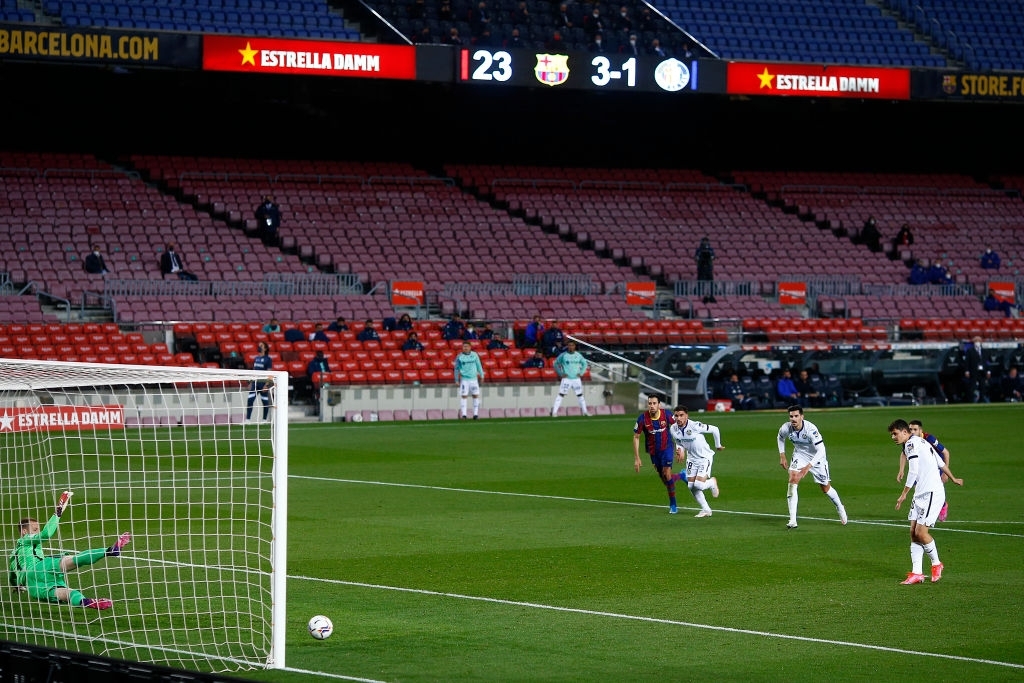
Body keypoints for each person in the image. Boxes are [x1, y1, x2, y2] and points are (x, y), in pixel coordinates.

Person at [8, 491, 130, 611]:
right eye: (35, 529)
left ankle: (85, 601)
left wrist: (17, 587)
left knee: (66, 594)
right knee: (73, 560)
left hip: (33, 588)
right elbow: (46, 534)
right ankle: (110, 550)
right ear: (24, 532)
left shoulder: (13, 556)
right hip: (40, 568)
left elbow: (12, 577)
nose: (37, 532)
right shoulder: (25, 539)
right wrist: (58, 512)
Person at [889, 419, 964, 585]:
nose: (893, 437)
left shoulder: (911, 445)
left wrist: (903, 495)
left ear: (904, 431)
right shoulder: (921, 441)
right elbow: (940, 463)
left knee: (921, 533)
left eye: (895, 433)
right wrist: (953, 478)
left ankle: (937, 564)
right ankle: (917, 573)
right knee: (913, 533)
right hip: (921, 493)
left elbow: (914, 470)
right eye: (892, 435)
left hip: (931, 493)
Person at [777, 405, 847, 529]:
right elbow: (780, 437)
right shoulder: (786, 427)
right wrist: (782, 455)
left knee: (825, 488)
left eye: (796, 416)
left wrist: (808, 466)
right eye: (791, 416)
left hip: (816, 458)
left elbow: (821, 450)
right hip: (800, 455)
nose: (793, 419)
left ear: (802, 417)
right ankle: (792, 520)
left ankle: (840, 507)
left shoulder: (810, 429)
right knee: (793, 479)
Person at [670, 405, 722, 518]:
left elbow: (715, 429)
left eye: (681, 415)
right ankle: (706, 510)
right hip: (691, 459)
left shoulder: (695, 426)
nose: (678, 418)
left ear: (686, 416)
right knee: (691, 486)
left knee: (698, 485)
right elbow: (678, 441)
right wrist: (680, 450)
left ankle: (712, 482)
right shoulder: (673, 429)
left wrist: (718, 445)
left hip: (704, 457)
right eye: (676, 416)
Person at [632, 394, 682, 514]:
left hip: (667, 448)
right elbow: (636, 437)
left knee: (667, 473)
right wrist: (637, 458)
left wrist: (680, 447)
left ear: (659, 405)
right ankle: (682, 476)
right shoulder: (642, 419)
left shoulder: (667, 415)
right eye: (650, 403)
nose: (652, 406)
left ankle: (673, 504)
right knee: (665, 480)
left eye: (654, 403)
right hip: (654, 452)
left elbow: (678, 429)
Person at [897, 419, 952, 522]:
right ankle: (923, 509)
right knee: (918, 485)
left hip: (936, 465)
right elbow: (904, 453)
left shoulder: (929, 438)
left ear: (920, 430)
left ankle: (942, 505)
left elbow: (946, 452)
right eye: (910, 429)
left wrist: (945, 472)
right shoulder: (909, 441)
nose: (912, 431)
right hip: (922, 467)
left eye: (915, 429)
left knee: (933, 486)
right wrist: (901, 470)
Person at [551, 340, 590, 417]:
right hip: (567, 379)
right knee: (561, 394)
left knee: (580, 395)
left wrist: (581, 373)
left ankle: (585, 412)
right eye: (569, 345)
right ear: (567, 346)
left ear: (574, 346)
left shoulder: (578, 355)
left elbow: (585, 364)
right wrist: (561, 374)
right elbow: (555, 364)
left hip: (576, 379)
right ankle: (554, 412)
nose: (571, 347)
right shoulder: (563, 355)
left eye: (572, 345)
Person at [454, 340, 484, 419]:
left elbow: (479, 365)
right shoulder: (459, 356)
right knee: (464, 396)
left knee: (475, 396)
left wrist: (482, 375)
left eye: (467, 346)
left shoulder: (475, 355)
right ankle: (464, 415)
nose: (465, 348)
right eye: (464, 346)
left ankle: (475, 414)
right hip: (464, 380)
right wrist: (456, 380)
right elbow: (456, 369)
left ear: (470, 347)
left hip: (474, 379)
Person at [245, 341, 274, 421]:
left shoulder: (268, 359)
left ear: (265, 348)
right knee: (250, 400)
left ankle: (264, 420)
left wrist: (267, 384)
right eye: (259, 345)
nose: (259, 347)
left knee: (265, 402)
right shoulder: (256, 358)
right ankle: (248, 419)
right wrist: (250, 382)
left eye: (261, 346)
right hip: (255, 383)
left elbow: (269, 372)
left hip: (263, 383)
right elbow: (254, 371)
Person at [695, 236, 715, 302]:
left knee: (711, 282)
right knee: (700, 282)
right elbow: (696, 258)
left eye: (706, 241)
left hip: (709, 268)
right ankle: (699, 294)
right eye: (704, 241)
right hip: (701, 268)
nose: (705, 243)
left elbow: (713, 257)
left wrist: (710, 257)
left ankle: (712, 294)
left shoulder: (711, 250)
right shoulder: (699, 250)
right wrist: (700, 258)